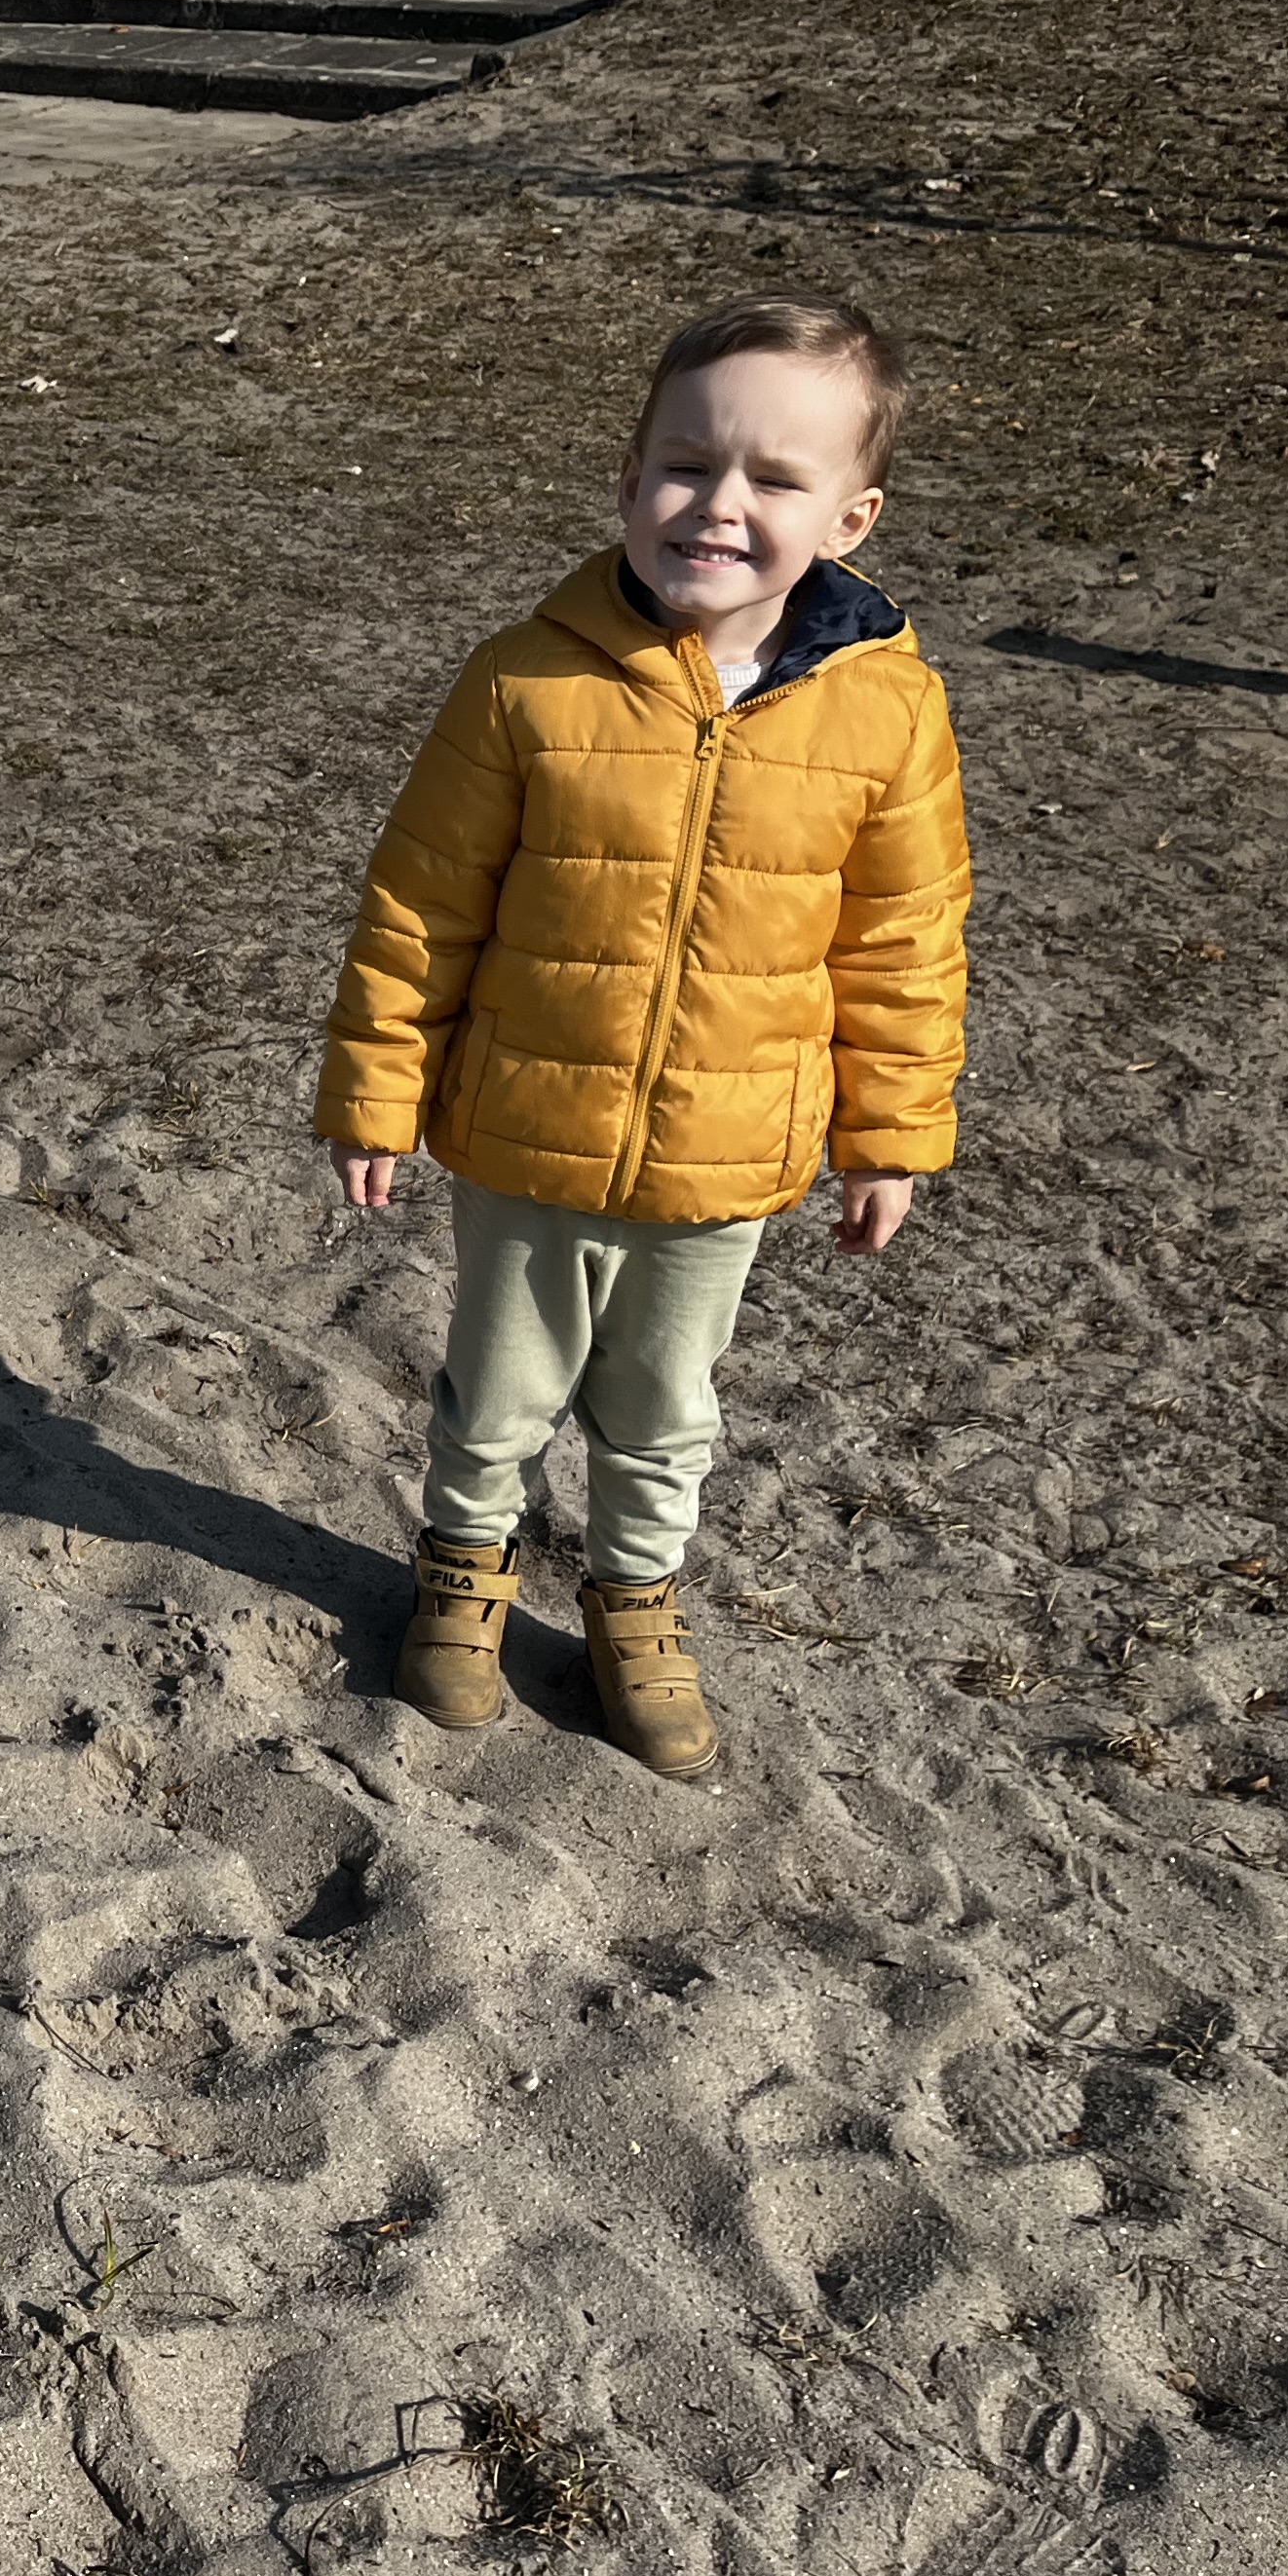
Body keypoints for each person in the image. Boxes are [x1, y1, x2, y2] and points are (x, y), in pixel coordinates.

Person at [313, 295, 971, 1778]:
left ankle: (634, 1602)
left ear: (851, 518)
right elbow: (422, 899)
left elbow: (905, 942)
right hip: (525, 1127)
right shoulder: (524, 677)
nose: (720, 505)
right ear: (628, 480)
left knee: (664, 1409)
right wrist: (376, 1088)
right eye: (686, 464)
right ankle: (462, 1578)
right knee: (497, 1391)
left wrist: (887, 1137)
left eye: (775, 479)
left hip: (726, 1150)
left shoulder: (888, 712)